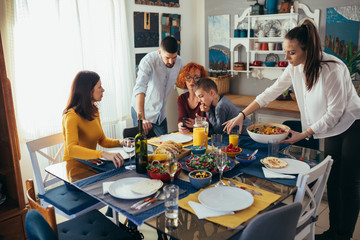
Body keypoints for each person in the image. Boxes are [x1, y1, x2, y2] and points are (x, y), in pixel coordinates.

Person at [223, 19, 360, 240]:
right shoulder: (295, 67)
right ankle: (333, 231)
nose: (286, 58)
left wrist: (305, 133)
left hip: (353, 123)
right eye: (285, 52)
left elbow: (334, 113)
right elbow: (271, 91)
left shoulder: (333, 69)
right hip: (332, 127)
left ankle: (344, 235)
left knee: (349, 183)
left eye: (292, 52)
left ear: (308, 49)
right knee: (333, 180)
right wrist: (242, 114)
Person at [62, 71, 128, 168]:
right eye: (99, 87)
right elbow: (71, 149)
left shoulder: (94, 111)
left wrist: (121, 142)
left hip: (90, 165)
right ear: (88, 91)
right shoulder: (71, 116)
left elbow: (102, 140)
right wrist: (102, 154)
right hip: (73, 169)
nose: (103, 90)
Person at [131, 36, 184, 136]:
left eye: (174, 58)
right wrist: (142, 118)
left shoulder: (180, 62)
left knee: (164, 146)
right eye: (167, 58)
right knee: (143, 146)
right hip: (142, 111)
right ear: (160, 52)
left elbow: (183, 86)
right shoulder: (148, 61)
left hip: (161, 114)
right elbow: (140, 89)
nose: (171, 62)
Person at [175, 62, 208, 134]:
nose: (192, 81)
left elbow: (212, 125)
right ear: (184, 79)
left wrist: (198, 124)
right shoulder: (182, 98)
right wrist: (180, 125)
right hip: (187, 135)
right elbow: (181, 118)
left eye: (196, 77)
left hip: (203, 135)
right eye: (188, 77)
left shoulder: (206, 98)